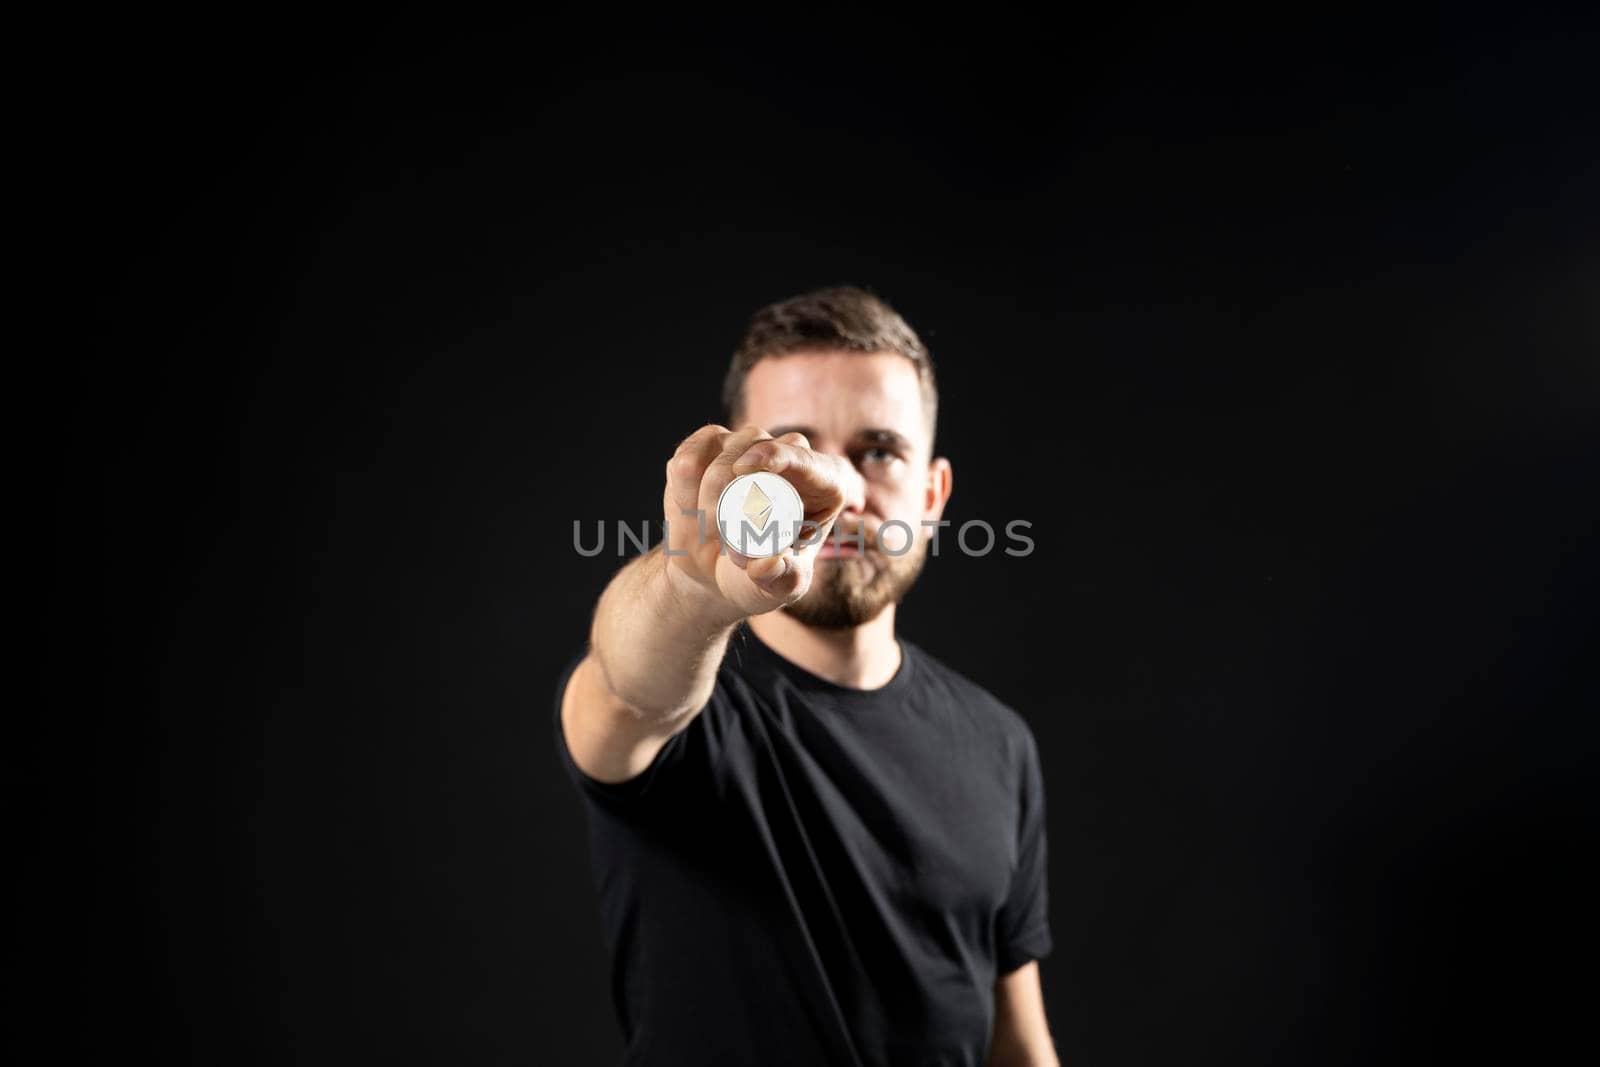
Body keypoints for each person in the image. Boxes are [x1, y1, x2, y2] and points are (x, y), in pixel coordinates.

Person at [554, 285, 1059, 1065]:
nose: (842, 492)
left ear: (932, 494)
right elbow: (624, 687)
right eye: (797, 449)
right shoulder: (693, 714)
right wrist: (690, 586)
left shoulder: (999, 742)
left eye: (879, 451)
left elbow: (1017, 1044)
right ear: (741, 476)